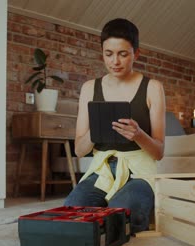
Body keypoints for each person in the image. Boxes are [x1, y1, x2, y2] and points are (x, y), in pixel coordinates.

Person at [64, 18, 166, 233]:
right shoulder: (90, 88)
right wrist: (97, 128)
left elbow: (158, 152)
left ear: (136, 54)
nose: (115, 62)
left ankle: (135, 206)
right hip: (102, 169)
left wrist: (138, 135)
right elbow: (80, 150)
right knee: (71, 214)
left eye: (123, 54)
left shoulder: (152, 88)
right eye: (108, 54)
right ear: (102, 53)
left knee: (122, 216)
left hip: (139, 171)